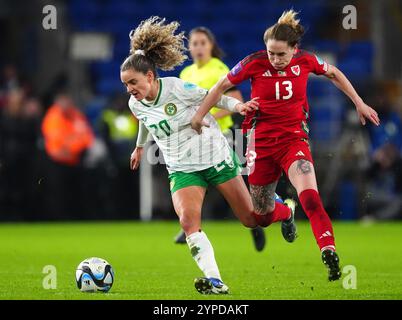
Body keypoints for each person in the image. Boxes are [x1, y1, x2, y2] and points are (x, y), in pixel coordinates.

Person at [190, 10, 380, 281]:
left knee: (311, 197)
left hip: (293, 140)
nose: (276, 60)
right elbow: (221, 86)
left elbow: (334, 73)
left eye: (281, 54)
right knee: (261, 217)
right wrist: (199, 116)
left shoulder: (305, 60)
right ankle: (286, 212)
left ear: (294, 49)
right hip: (260, 143)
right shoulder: (254, 63)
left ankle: (328, 249)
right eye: (271, 53)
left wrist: (359, 102)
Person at [120, 16, 295, 294]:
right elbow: (145, 120)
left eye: (132, 82)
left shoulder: (177, 88)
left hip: (214, 157)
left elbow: (213, 96)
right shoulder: (135, 103)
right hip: (181, 168)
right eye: (126, 84)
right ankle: (216, 281)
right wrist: (140, 147)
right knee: (188, 222)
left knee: (252, 219)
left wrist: (239, 107)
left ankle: (285, 211)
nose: (129, 89)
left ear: (150, 77)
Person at [174, 26, 266, 250]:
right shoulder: (186, 74)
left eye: (202, 43)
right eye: (194, 43)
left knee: (234, 181)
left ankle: (256, 223)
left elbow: (235, 99)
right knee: (195, 177)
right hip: (193, 138)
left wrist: (205, 115)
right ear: (189, 47)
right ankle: (190, 224)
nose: (198, 47)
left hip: (220, 136)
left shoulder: (219, 69)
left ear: (211, 46)